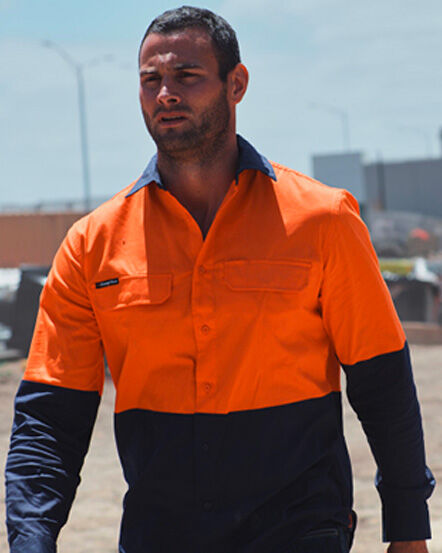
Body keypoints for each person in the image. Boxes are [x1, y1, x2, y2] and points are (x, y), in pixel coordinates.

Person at [5, 6, 434, 553]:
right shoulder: (92, 245)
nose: (165, 94)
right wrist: (31, 540)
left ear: (237, 84)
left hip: (299, 529)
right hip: (160, 536)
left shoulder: (323, 221)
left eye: (186, 76)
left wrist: (408, 528)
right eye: (150, 80)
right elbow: (50, 417)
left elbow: (382, 381)